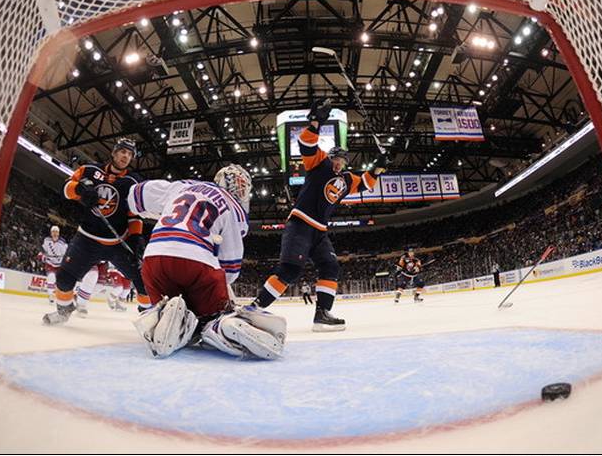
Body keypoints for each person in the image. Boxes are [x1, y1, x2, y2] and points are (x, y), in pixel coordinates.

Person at [250, 98, 389, 331]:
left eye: (342, 161)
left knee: (330, 267)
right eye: (336, 159)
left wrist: (378, 167)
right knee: (290, 270)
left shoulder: (347, 180)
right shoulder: (319, 164)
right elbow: (306, 145)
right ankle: (254, 309)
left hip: (320, 232)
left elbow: (365, 183)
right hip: (300, 223)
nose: (338, 164)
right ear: (330, 157)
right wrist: (315, 123)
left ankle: (322, 314)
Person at [128, 165, 286, 360]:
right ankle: (221, 325)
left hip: (154, 258)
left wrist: (153, 212)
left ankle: (168, 315)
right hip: (197, 261)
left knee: (164, 305)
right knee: (212, 316)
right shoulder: (234, 209)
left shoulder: (183, 186)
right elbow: (231, 268)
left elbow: (135, 195)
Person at [43, 138, 150, 325]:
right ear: (114, 153)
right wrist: (80, 189)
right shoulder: (89, 171)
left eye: (130, 154)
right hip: (87, 240)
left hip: (118, 243)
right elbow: (66, 189)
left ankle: (150, 318)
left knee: (145, 282)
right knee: (64, 280)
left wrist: (136, 238)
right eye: (123, 151)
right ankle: (64, 309)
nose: (126, 156)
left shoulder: (133, 182)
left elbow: (135, 215)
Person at [38, 225, 67, 304]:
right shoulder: (47, 240)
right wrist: (41, 255)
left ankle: (60, 296)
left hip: (59, 265)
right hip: (50, 264)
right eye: (53, 231)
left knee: (61, 282)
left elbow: (66, 255)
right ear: (51, 233)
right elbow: (43, 251)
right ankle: (51, 295)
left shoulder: (63, 243)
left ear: (58, 233)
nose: (55, 233)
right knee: (51, 277)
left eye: (56, 232)